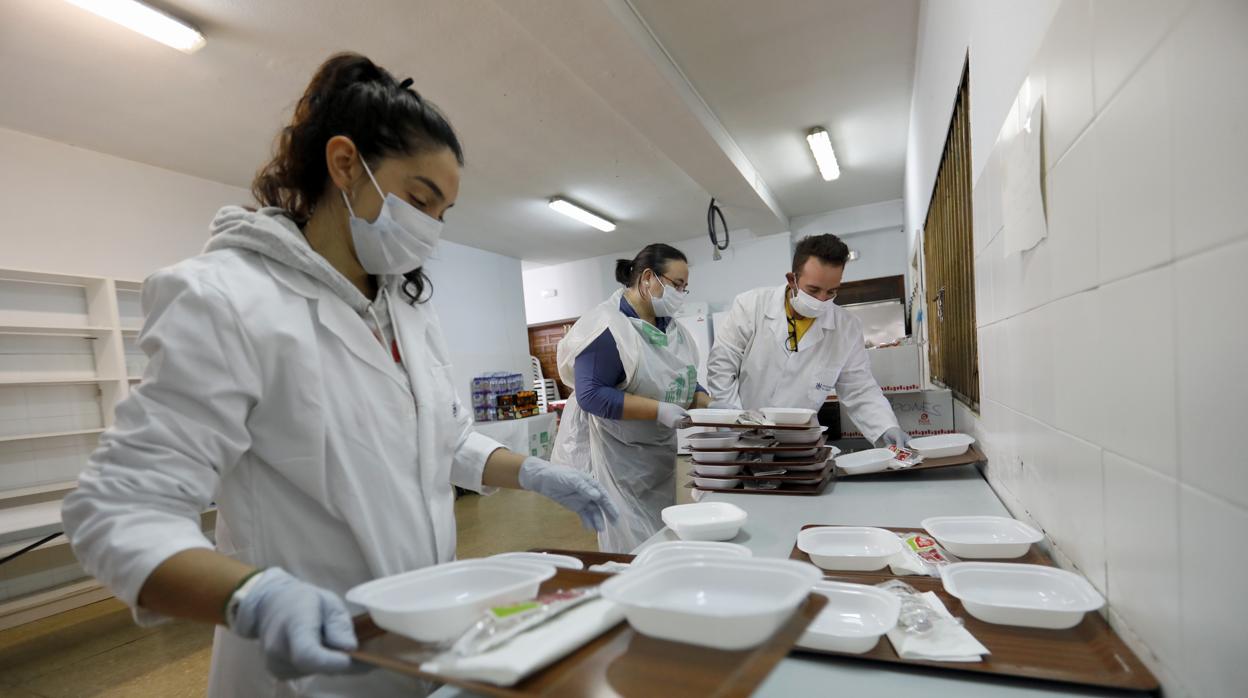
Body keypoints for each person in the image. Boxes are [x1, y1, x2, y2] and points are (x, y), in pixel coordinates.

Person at [60, 53, 617, 698]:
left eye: (443, 213)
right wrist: (252, 595)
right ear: (346, 164)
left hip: (419, 636)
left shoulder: (405, 311)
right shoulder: (226, 299)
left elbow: (439, 438)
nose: (431, 230)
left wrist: (533, 471)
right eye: (419, 200)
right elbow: (118, 509)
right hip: (304, 661)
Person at [550, 243, 710, 552]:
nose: (681, 293)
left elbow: (684, 377)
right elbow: (591, 394)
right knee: (629, 544)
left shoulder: (674, 331)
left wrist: (704, 401)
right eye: (676, 284)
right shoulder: (607, 327)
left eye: (685, 287)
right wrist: (658, 410)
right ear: (648, 278)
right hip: (617, 457)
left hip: (657, 454)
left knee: (659, 535)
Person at [707, 233, 908, 448]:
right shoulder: (751, 306)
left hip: (798, 442)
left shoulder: (846, 327)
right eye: (813, 290)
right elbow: (722, 366)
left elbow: (859, 388)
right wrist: (732, 419)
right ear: (792, 279)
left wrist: (886, 426)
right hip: (743, 436)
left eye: (831, 292)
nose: (822, 300)